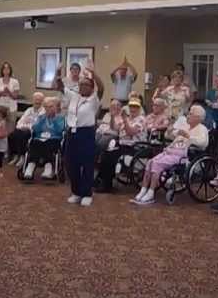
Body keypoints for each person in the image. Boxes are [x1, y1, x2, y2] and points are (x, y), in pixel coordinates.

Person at [131, 105, 209, 205]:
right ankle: (143, 190)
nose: (188, 116)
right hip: (171, 151)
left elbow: (203, 143)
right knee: (150, 162)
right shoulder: (185, 126)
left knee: (156, 164)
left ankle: (150, 194)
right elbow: (171, 135)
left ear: (198, 118)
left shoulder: (202, 129)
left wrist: (188, 136)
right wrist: (172, 130)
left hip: (182, 155)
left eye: (190, 114)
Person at [64, 61, 104, 207]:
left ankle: (87, 193)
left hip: (86, 133)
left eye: (86, 85)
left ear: (91, 88)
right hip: (72, 133)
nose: (83, 87)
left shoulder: (94, 99)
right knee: (70, 163)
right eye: (81, 84)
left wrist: (93, 73)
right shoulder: (74, 97)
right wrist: (57, 73)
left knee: (87, 164)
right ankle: (76, 192)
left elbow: (102, 88)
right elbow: (60, 87)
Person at [96, 97, 146, 193]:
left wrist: (125, 120)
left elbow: (131, 132)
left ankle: (106, 184)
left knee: (110, 155)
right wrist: (112, 117)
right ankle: (101, 180)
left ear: (139, 108)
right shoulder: (128, 118)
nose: (133, 109)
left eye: (135, 107)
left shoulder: (141, 119)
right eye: (131, 106)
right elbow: (114, 128)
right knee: (106, 153)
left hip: (135, 146)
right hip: (123, 144)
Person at [23, 97, 66, 180]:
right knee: (34, 142)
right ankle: (31, 166)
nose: (48, 109)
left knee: (49, 143)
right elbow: (35, 129)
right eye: (46, 107)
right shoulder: (41, 117)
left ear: (56, 107)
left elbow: (59, 130)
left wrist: (53, 120)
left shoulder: (60, 118)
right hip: (40, 138)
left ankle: (48, 167)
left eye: (51, 106)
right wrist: (43, 119)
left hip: (54, 138)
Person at [8, 92, 46, 167]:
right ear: (33, 100)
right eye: (35, 99)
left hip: (36, 131)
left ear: (42, 101)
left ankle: (22, 156)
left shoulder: (43, 111)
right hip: (24, 128)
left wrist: (27, 126)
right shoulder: (29, 110)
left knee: (23, 135)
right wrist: (21, 126)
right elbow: (20, 121)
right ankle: (16, 155)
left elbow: (37, 124)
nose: (37, 101)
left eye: (39, 100)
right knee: (12, 134)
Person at [0, 62, 20, 133]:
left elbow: (15, 96)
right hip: (0, 108)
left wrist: (9, 92)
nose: (6, 70)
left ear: (10, 70)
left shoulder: (15, 82)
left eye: (8, 68)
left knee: (10, 130)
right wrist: (2, 92)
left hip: (11, 108)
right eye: (4, 68)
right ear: (2, 70)